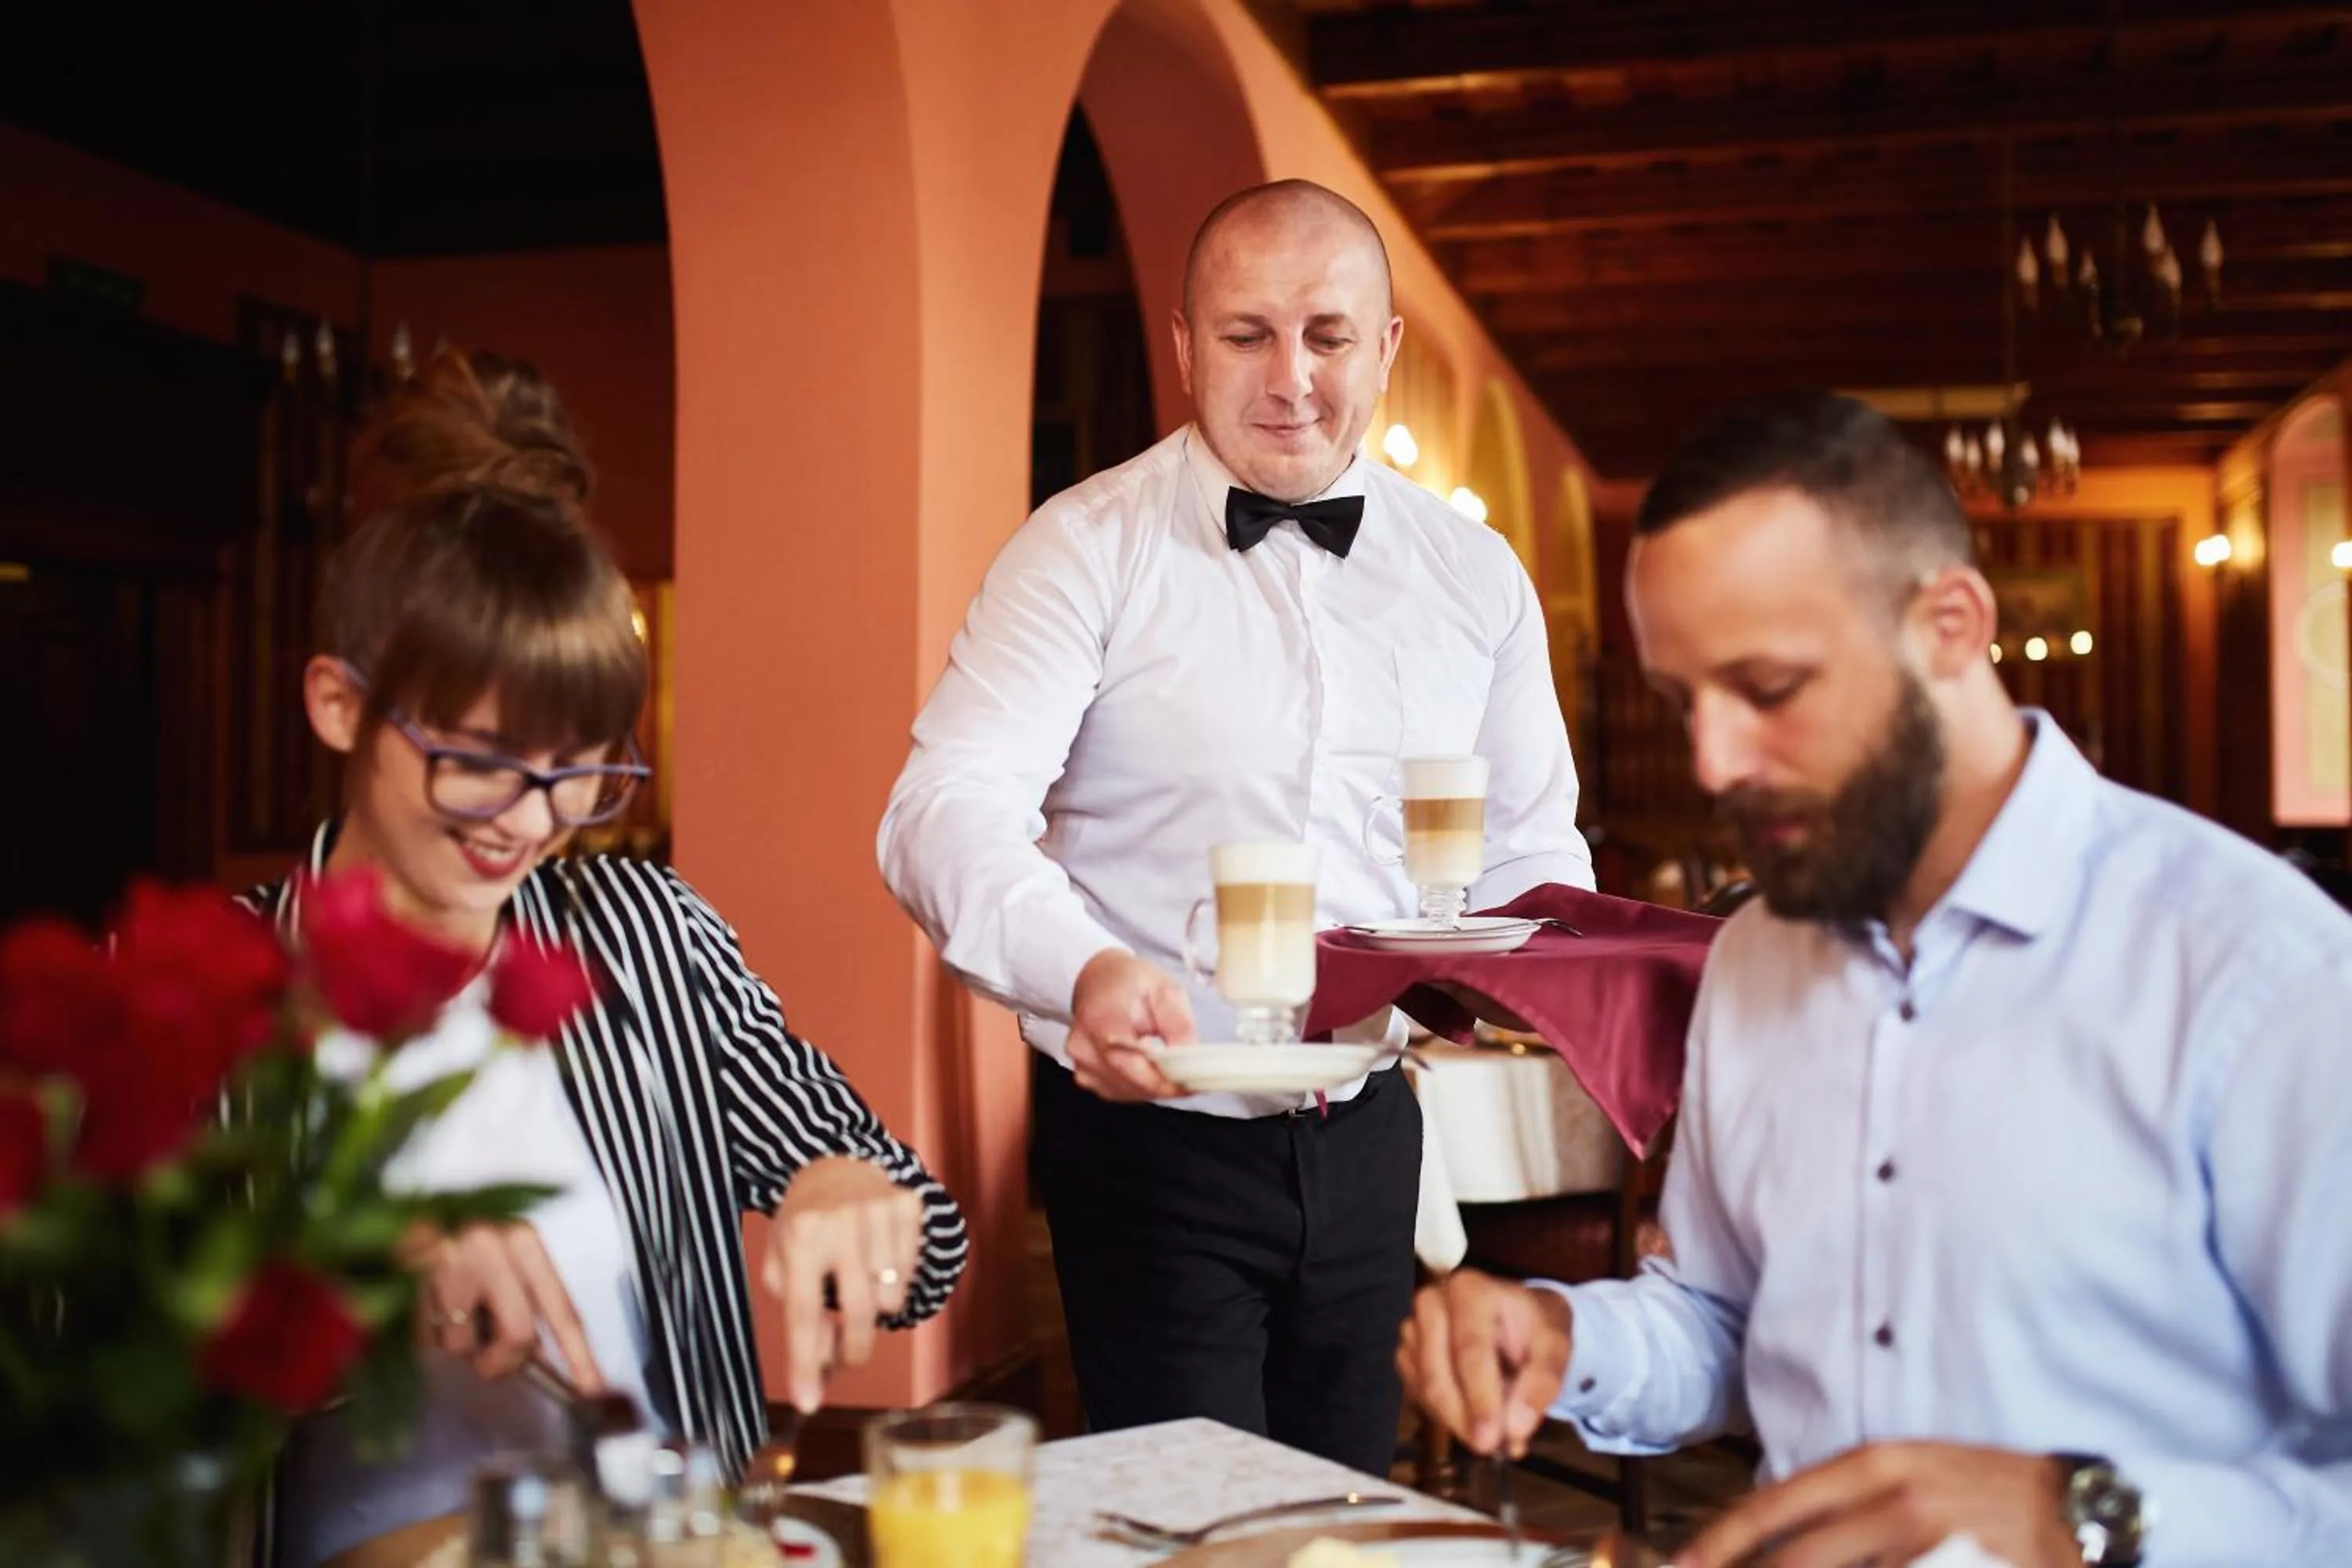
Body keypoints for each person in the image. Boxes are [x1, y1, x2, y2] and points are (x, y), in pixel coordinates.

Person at [1397, 394, 2352, 1566]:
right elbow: (1725, 1318)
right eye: (1683, 702)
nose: (1715, 761)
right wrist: (1556, 1334)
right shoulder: (1754, 959)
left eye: (1771, 689)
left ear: (1950, 623)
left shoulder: (2256, 973)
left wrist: (2084, 1514)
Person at [880, 179, 1592, 1475]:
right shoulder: (1083, 549)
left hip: (1375, 1128)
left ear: (1384, 350)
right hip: (1155, 1139)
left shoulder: (1476, 579)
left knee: (1342, 1518)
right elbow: (943, 809)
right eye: (1245, 334)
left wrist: (1538, 975)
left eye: (1327, 335)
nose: (1290, 379)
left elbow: (1535, 844)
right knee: (1195, 1525)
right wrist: (1081, 969)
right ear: (1183, 344)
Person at [252, 352, 968, 1568]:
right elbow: (72, 1362)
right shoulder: (204, 987)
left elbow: (927, 1243)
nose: (528, 822)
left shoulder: (642, 938)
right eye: (479, 758)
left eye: (575, 770)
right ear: (338, 703)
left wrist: (853, 1192)